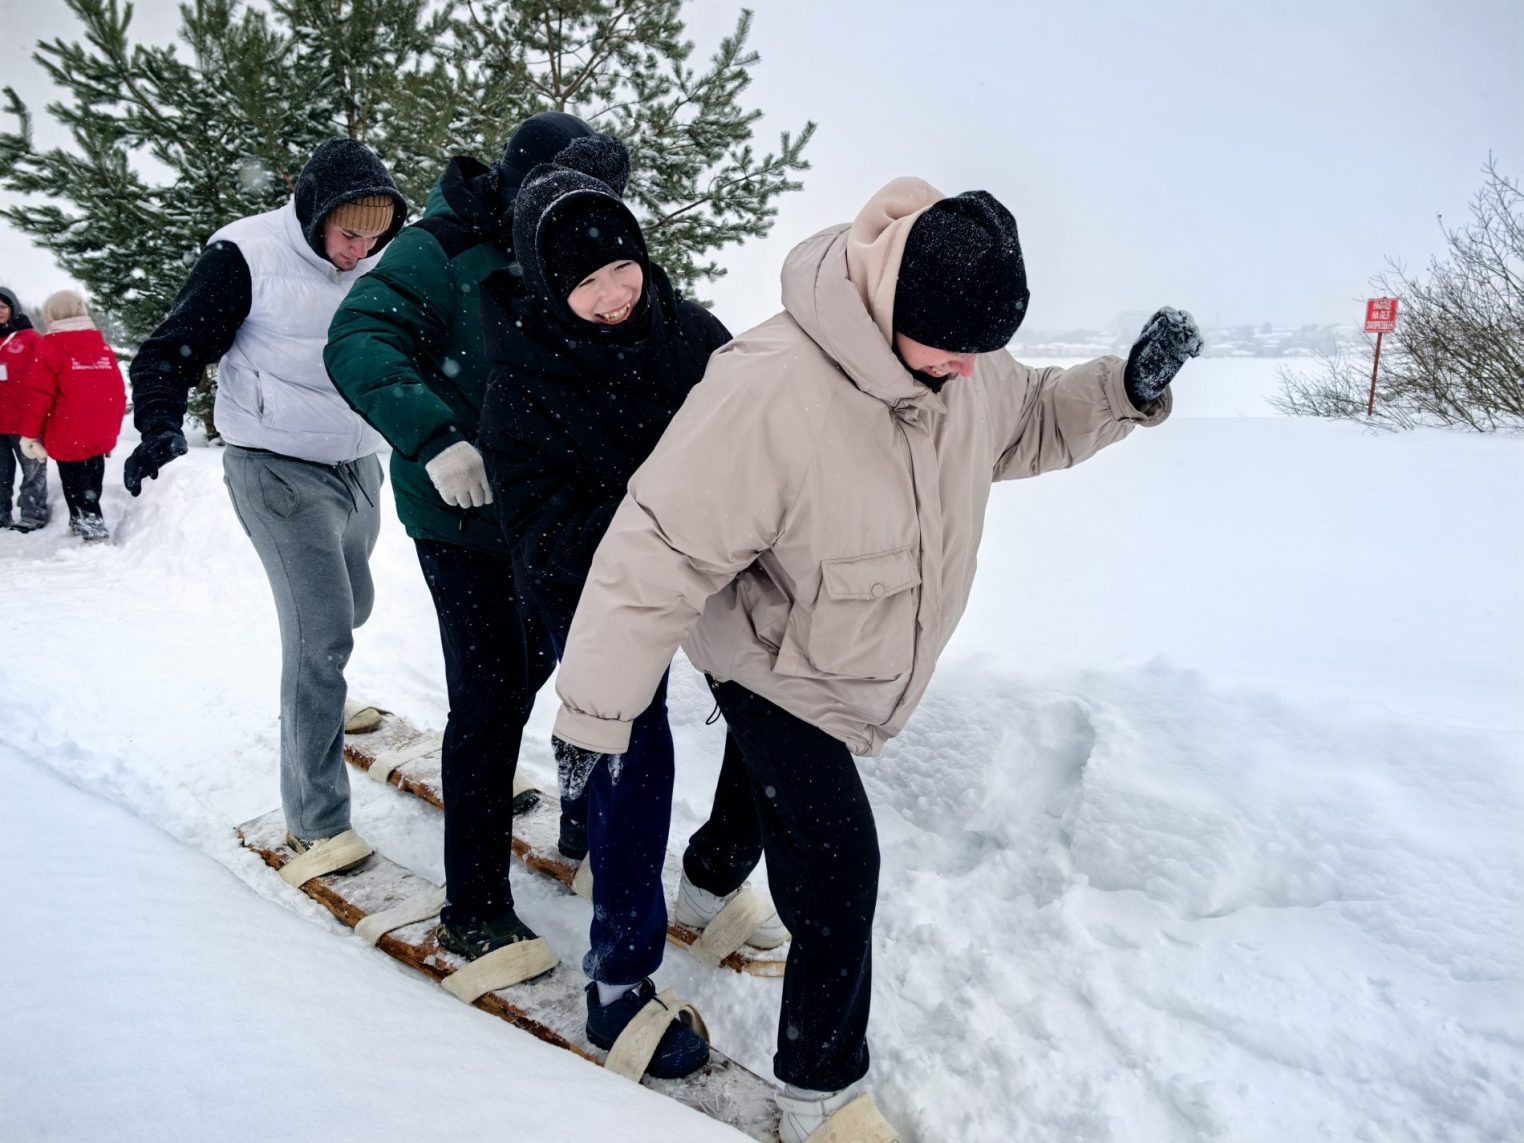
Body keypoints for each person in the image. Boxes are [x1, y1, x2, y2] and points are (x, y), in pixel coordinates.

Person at [547, 177, 1201, 1140]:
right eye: (954, 350)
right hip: (772, 653)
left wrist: (1124, 390)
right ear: (895, 305)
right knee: (839, 860)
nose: (971, 372)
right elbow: (657, 550)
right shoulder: (771, 386)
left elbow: (1028, 419)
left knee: (767, 795)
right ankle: (821, 1087)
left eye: (985, 351)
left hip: (841, 649)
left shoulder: (958, 358)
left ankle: (709, 877)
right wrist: (594, 716)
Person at [476, 135, 785, 1080]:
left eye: (624, 267)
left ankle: (712, 872)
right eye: (589, 283)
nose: (616, 293)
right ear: (544, 284)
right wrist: (652, 524)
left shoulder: (691, 334)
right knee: (633, 759)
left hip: (713, 569)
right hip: (600, 589)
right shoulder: (518, 386)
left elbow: (763, 432)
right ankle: (617, 988)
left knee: (776, 713)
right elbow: (539, 538)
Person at [324, 112, 607, 961]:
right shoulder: (438, 248)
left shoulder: (561, 243)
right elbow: (359, 337)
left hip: (545, 515)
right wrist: (435, 437)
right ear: (522, 187)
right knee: (487, 700)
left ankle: (566, 817)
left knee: (553, 673)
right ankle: (474, 905)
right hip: (459, 515)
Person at [125, 138, 406, 872]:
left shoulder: (381, 258)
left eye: (376, 238)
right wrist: (157, 426)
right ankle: (316, 821)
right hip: (276, 466)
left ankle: (322, 700)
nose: (360, 251)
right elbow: (170, 350)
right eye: (350, 235)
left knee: (354, 606)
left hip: (356, 463)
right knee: (321, 639)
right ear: (314, 216)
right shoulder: (245, 256)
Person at [14, 290, 126, 542]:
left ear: (51, 314)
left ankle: (92, 527)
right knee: (93, 475)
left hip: (67, 430)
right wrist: (112, 428)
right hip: (100, 428)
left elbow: (39, 395)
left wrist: (30, 434)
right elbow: (117, 391)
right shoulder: (102, 348)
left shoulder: (50, 347)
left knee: (74, 481)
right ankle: (79, 520)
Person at [0, 287, 50, 532]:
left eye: (2, 307)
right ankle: (1, 514)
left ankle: (33, 514)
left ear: (13, 309)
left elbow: (46, 376)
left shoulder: (30, 339)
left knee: (33, 472)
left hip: (24, 421)